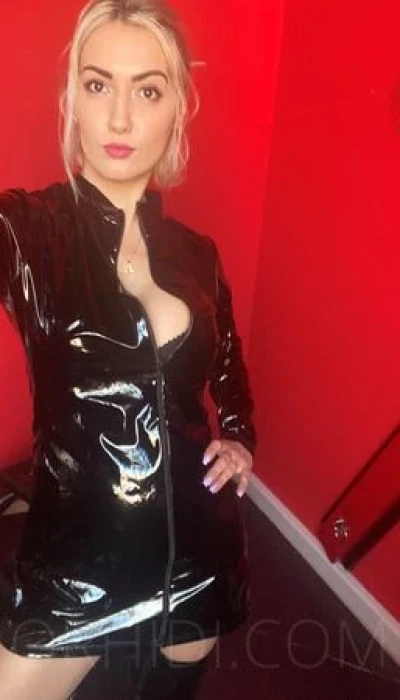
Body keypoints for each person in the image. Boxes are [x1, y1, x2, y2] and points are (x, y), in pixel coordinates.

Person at [0, 0, 257, 698]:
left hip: (194, 557)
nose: (119, 118)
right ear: (72, 102)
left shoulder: (197, 254)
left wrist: (240, 437)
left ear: (177, 109)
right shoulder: (27, 231)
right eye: (98, 85)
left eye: (147, 91)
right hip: (76, 566)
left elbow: (228, 362)